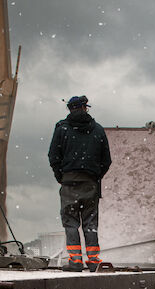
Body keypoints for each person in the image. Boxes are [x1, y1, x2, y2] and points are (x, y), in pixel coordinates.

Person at [48, 95, 112, 272]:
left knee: (70, 223)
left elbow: (53, 156)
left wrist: (61, 176)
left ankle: (75, 261)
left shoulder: (61, 129)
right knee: (90, 224)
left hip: (69, 182)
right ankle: (94, 262)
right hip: (90, 183)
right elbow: (106, 160)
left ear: (70, 109)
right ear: (85, 108)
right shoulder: (98, 130)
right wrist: (94, 176)